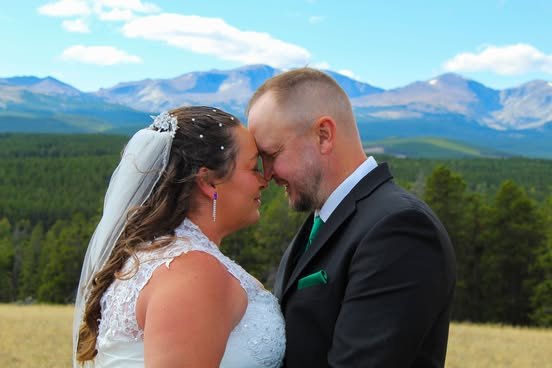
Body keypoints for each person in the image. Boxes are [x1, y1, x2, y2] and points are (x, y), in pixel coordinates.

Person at [247, 68, 456, 367]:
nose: (267, 175)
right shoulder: (323, 221)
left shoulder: (399, 229)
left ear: (324, 135)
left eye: (272, 154)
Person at [73, 106, 285, 367]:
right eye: (253, 167)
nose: (264, 180)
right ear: (208, 182)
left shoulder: (158, 256)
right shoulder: (194, 272)